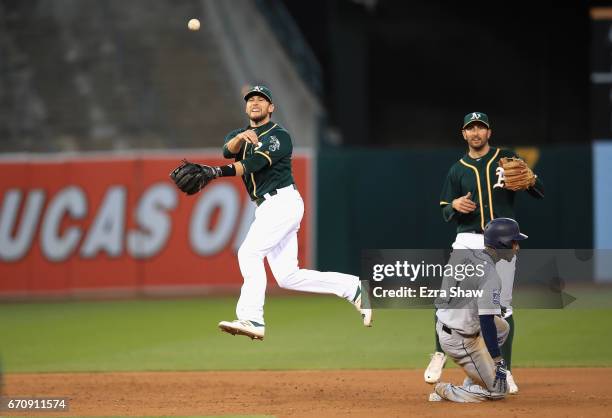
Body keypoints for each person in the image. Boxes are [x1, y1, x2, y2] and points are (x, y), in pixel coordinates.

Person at [199, 85, 372, 340]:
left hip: (282, 203)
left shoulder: (279, 136)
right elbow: (228, 150)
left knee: (249, 253)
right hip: (268, 207)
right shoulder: (241, 134)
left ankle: (252, 318)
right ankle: (353, 287)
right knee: (288, 277)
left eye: (261, 99)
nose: (255, 103)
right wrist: (239, 138)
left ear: (271, 108)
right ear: (246, 106)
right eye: (251, 100)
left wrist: (215, 172)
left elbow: (251, 164)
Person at [424, 112, 544, 393]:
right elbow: (444, 211)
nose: (476, 132)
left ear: (489, 132)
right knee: (449, 299)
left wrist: (530, 178)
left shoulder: (507, 158)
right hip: (467, 239)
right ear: (464, 134)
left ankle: (506, 371)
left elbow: (539, 191)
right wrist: (453, 205)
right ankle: (438, 355)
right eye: (470, 128)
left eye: (481, 127)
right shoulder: (457, 169)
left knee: (502, 305)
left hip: (502, 242)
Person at [428, 217, 527, 402]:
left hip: (449, 323)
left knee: (503, 327)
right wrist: (498, 361)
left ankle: (477, 375)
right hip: (460, 339)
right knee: (499, 391)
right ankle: (446, 390)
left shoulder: (470, 256)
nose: (517, 247)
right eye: (514, 242)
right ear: (503, 244)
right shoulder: (490, 276)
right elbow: (486, 321)